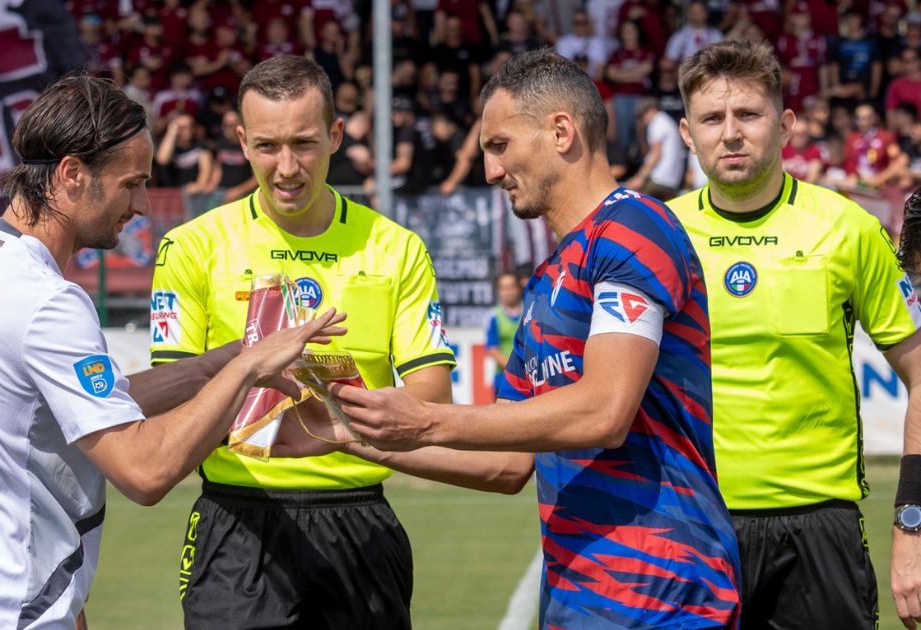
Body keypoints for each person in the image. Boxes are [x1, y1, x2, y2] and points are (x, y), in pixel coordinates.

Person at [0, 74, 342, 629]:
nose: (142, 204)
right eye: (131, 183)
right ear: (72, 174)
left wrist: (219, 362)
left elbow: (71, 409)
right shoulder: (48, 301)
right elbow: (144, 470)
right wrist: (247, 369)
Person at [296, 48, 741, 629]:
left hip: (665, 598)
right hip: (577, 602)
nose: (490, 171)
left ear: (561, 131)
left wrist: (427, 419)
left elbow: (605, 411)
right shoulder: (546, 279)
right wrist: (346, 433)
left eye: (500, 145)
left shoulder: (631, 227)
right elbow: (507, 464)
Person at [151, 55, 530, 629]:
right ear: (242, 142)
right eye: (267, 146)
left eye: (304, 144)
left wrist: (317, 403)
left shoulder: (396, 249)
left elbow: (430, 401)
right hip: (237, 522)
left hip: (359, 522)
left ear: (335, 135)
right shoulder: (191, 246)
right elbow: (171, 402)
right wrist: (260, 381)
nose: (286, 168)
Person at [668, 40, 921, 629]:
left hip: (821, 534)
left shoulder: (848, 228)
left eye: (748, 114)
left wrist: (912, 522)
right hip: (691, 528)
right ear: (687, 134)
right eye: (712, 118)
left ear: (785, 125)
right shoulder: (657, 234)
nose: (731, 133)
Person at [484, 271, 524, 398]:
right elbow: (492, 349)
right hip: (503, 378)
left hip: (529, 378)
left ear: (519, 288)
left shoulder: (530, 311)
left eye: (511, 287)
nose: (508, 292)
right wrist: (516, 369)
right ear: (498, 291)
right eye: (503, 288)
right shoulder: (493, 316)